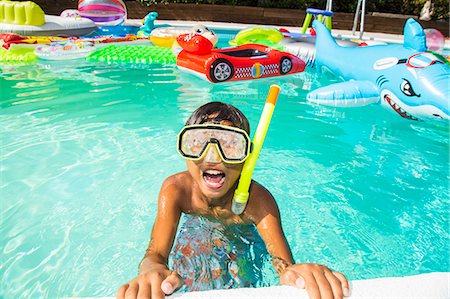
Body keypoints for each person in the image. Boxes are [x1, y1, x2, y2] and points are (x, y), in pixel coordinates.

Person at [117, 102, 349, 299]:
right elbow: (155, 254)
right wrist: (152, 269)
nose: (213, 155)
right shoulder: (177, 190)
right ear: (184, 149)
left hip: (243, 241)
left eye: (230, 145)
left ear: (248, 156)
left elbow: (282, 264)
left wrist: (291, 272)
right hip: (196, 234)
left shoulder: (258, 201)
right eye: (198, 142)